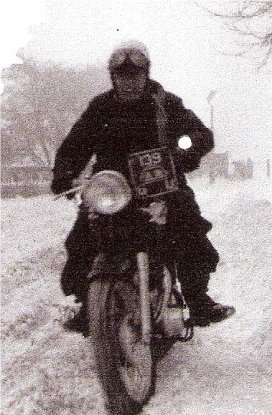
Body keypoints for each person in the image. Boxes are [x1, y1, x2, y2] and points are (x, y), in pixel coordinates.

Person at [51, 41, 235, 334]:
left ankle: (198, 302)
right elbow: (75, 144)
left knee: (190, 232)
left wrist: (184, 152)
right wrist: (65, 173)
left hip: (163, 187)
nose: (129, 82)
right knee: (81, 241)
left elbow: (201, 134)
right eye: (122, 76)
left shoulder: (165, 103)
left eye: (135, 75)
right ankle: (91, 307)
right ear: (113, 77)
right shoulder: (101, 108)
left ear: (146, 74)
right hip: (113, 190)